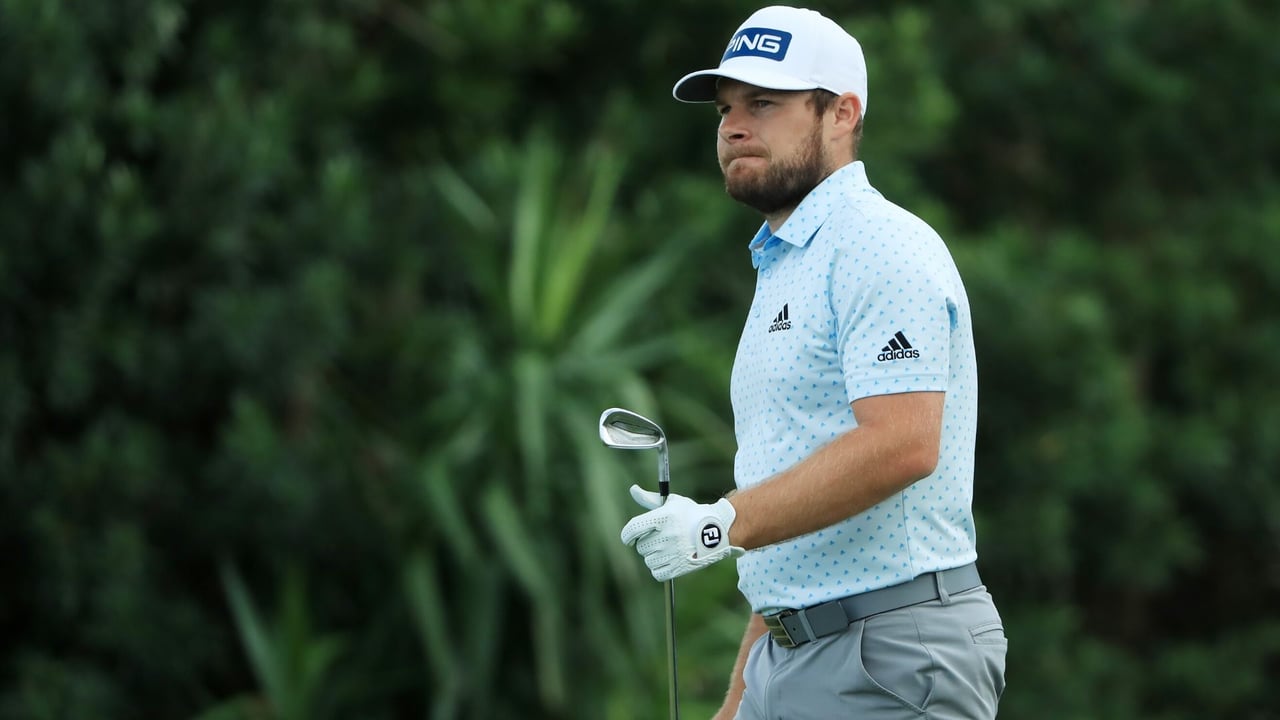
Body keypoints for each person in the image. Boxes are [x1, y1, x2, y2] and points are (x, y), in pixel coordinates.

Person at [619, 6, 1007, 719]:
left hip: (892, 652)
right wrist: (738, 700)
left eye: (763, 103)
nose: (733, 126)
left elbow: (904, 443)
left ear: (842, 114)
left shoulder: (880, 243)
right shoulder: (787, 263)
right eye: (727, 108)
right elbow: (797, 523)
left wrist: (717, 524)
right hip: (791, 656)